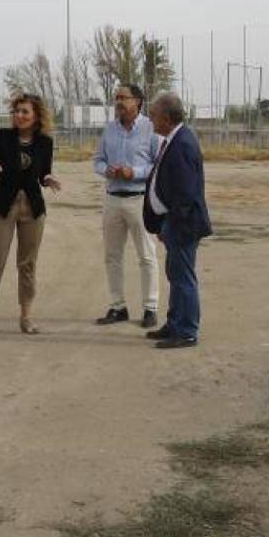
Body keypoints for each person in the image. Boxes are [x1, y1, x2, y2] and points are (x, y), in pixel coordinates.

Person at [0, 93, 61, 339]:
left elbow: (43, 173)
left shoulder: (45, 142)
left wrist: (49, 179)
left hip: (32, 208)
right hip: (2, 206)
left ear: (36, 116)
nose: (20, 116)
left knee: (28, 264)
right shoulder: (2, 137)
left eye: (25, 111)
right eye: (17, 111)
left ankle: (26, 317)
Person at [142, 92, 212, 349]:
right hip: (173, 222)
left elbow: (185, 193)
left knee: (183, 277)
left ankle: (186, 331)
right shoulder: (173, 139)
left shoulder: (182, 144)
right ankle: (175, 323)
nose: (151, 120)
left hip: (183, 224)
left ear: (168, 118)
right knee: (175, 275)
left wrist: (171, 223)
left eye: (154, 116)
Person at [92, 83, 160, 329]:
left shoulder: (150, 129)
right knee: (112, 256)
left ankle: (150, 308)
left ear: (138, 101)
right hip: (112, 198)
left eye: (124, 97)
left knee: (146, 255)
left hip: (138, 198)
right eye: (116, 97)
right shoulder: (110, 130)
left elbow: (158, 164)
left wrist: (135, 172)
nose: (119, 102)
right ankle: (117, 306)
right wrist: (105, 169)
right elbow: (97, 160)